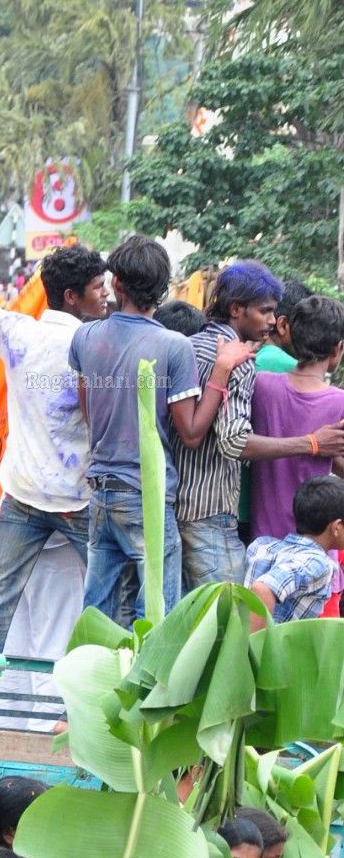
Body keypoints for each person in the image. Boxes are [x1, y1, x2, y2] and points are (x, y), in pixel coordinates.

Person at [0, 246, 107, 687]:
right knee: (113, 596)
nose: (106, 295)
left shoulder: (19, 332)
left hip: (23, 495)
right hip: (79, 498)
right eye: (98, 288)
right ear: (72, 296)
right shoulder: (94, 347)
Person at [68, 235, 255, 622]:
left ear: (116, 283)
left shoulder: (85, 336)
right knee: (158, 614)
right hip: (146, 497)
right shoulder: (172, 346)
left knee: (97, 614)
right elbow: (191, 432)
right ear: (164, 288)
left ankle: (86, 682)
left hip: (101, 492)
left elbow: (89, 410)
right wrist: (221, 370)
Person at [174, 263, 344, 590]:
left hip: (255, 537)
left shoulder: (257, 380)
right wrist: (312, 444)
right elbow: (235, 441)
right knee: (235, 621)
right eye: (264, 311)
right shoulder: (244, 366)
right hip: (304, 541)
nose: (269, 320)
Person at [249, 296, 344, 541]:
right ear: (337, 349)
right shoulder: (339, 402)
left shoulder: (262, 385)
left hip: (263, 540)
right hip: (315, 545)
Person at [246, 475, 344, 626]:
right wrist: (255, 646)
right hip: (279, 646)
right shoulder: (317, 562)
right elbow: (263, 588)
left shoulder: (263, 545)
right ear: (336, 527)